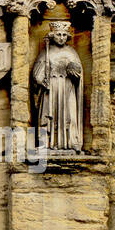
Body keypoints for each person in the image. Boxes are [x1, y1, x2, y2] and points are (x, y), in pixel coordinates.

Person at [31, 21, 83, 151]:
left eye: (64, 35)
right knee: (48, 115)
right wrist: (41, 80)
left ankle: (69, 143)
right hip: (51, 88)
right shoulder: (46, 52)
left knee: (69, 115)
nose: (61, 37)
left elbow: (79, 73)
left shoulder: (72, 52)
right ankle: (47, 143)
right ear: (52, 35)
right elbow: (37, 72)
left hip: (67, 87)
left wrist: (75, 73)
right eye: (58, 34)